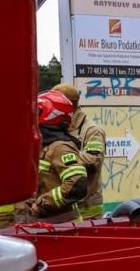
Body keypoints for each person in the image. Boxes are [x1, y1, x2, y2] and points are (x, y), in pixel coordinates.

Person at [18, 89, 89, 224]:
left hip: (64, 228)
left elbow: (77, 184)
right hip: (45, 227)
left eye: (37, 112)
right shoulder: (44, 146)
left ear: (49, 114)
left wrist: (42, 204)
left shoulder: (60, 147)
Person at [53, 82, 107, 220]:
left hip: (88, 209)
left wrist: (62, 157)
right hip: (68, 208)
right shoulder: (62, 127)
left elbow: (94, 160)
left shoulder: (91, 130)